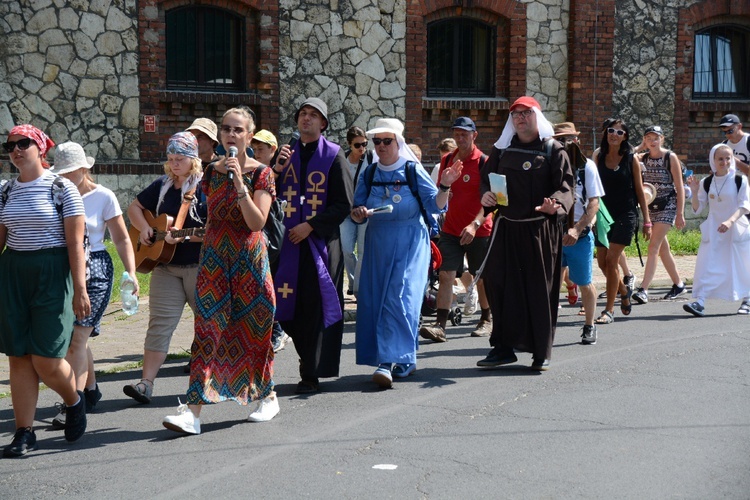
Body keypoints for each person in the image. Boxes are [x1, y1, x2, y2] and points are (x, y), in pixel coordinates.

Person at [163, 107, 279, 435]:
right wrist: (180, 231)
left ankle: (267, 396)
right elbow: (208, 216)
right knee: (207, 333)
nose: (231, 134)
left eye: (238, 130)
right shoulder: (211, 173)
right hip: (214, 263)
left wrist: (240, 182)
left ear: (249, 136)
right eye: (226, 129)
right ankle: (193, 413)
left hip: (249, 263)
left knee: (253, 331)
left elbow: (256, 222)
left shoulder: (261, 174)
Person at [0, 125, 91, 457]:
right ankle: (24, 432)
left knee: (47, 358)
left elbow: (75, 243)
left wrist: (80, 289)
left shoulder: (61, 188)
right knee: (19, 356)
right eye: (10, 145)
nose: (16, 150)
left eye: (24, 143)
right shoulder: (5, 191)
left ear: (41, 149)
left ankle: (74, 400)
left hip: (53, 272)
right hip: (14, 272)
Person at [351, 118, 456, 388]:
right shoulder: (369, 173)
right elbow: (356, 212)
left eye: (387, 140)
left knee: (400, 297)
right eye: (377, 141)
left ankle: (386, 363)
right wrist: (360, 213)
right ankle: (404, 359)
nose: (381, 146)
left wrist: (444, 185)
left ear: (398, 142)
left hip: (410, 240)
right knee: (376, 299)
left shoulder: (412, 169)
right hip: (377, 242)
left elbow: (436, 205)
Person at [475, 96, 575, 371]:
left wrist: (553, 204)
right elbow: (486, 179)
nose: (520, 118)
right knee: (500, 285)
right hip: (506, 227)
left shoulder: (553, 150)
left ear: (537, 117)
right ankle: (503, 348)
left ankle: (540, 352)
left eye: (526, 113)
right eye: (516, 114)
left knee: (538, 290)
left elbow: (566, 188)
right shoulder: (503, 150)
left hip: (538, 230)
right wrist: (485, 195)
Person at [49, 142, 139, 428]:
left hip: (97, 267)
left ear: (84, 168)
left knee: (76, 338)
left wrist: (132, 272)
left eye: (70, 172)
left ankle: (71, 404)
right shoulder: (57, 195)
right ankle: (91, 390)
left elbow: (122, 238)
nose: (64, 177)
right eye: (60, 172)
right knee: (77, 338)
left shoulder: (103, 196)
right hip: (66, 268)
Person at [272, 97, 353, 394]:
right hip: (289, 244)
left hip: (321, 243)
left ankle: (311, 370)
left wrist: (310, 226)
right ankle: (304, 356)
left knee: (316, 306)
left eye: (313, 115)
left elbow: (344, 204)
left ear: (323, 124)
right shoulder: (285, 155)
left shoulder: (334, 156)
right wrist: (277, 169)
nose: (306, 119)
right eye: (303, 114)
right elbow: (267, 192)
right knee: (289, 303)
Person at [123, 132, 205, 404]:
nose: (174, 164)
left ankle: (213, 380)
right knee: (159, 324)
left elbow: (215, 230)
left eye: (179, 159)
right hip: (165, 267)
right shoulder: (162, 185)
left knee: (208, 323)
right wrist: (146, 228)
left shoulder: (206, 188)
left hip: (200, 267)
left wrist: (185, 235)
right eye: (170, 159)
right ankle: (146, 384)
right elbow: (134, 207)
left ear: (193, 159)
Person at [419, 117, 493, 342]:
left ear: (474, 135)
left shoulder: (484, 162)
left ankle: (487, 319)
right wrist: (445, 192)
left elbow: (493, 200)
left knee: (481, 277)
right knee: (445, 274)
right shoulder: (448, 160)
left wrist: (475, 224)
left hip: (479, 230)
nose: (460, 138)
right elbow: (440, 192)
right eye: (457, 134)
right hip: (451, 229)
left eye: (465, 134)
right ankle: (440, 325)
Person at [591, 118, 652, 325]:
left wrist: (647, 221)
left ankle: (608, 310)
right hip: (603, 215)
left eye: (619, 132)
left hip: (626, 214)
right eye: (611, 131)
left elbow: (639, 190)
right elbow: (592, 188)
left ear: (625, 136)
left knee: (611, 260)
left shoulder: (630, 159)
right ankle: (624, 290)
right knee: (601, 262)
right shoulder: (598, 156)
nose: (614, 135)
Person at [684, 144, 750, 317]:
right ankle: (700, 302)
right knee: (708, 265)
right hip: (714, 230)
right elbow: (698, 209)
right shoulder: (707, 182)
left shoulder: (739, 180)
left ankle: (747, 299)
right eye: (720, 158)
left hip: (736, 229)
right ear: (713, 160)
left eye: (728, 158)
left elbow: (744, 206)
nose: (725, 162)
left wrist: (730, 221)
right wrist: (695, 191)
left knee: (740, 266)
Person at [554, 122, 605, 345]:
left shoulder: (587, 167)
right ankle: (545, 325)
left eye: (569, 139)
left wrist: (577, 229)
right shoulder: (550, 164)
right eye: (560, 139)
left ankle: (589, 325)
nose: (565, 143)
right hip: (553, 233)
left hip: (579, 235)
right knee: (550, 280)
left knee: (584, 281)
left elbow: (594, 203)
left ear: (577, 140)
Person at [631, 126, 687, 304]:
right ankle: (678, 284)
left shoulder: (670, 157)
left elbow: (679, 187)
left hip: (668, 205)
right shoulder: (642, 158)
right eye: (648, 138)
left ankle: (643, 289)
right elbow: (627, 155)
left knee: (653, 246)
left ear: (662, 139)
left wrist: (680, 213)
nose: (652, 141)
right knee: (663, 249)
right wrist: (640, 147)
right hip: (650, 206)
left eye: (656, 138)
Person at [250, 129, 291, 353]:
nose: (256, 153)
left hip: (274, 236)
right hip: (253, 236)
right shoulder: (250, 170)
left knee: (272, 283)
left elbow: (270, 185)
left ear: (273, 150)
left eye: (261, 149)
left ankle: (278, 329)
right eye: (254, 148)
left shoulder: (280, 170)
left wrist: (276, 170)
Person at [339, 126, 371, 298]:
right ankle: (352, 281)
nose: (361, 149)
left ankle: (358, 289)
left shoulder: (370, 159)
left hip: (365, 210)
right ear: (349, 144)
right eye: (357, 145)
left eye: (364, 144)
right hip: (346, 211)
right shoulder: (342, 159)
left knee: (363, 250)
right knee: (346, 249)